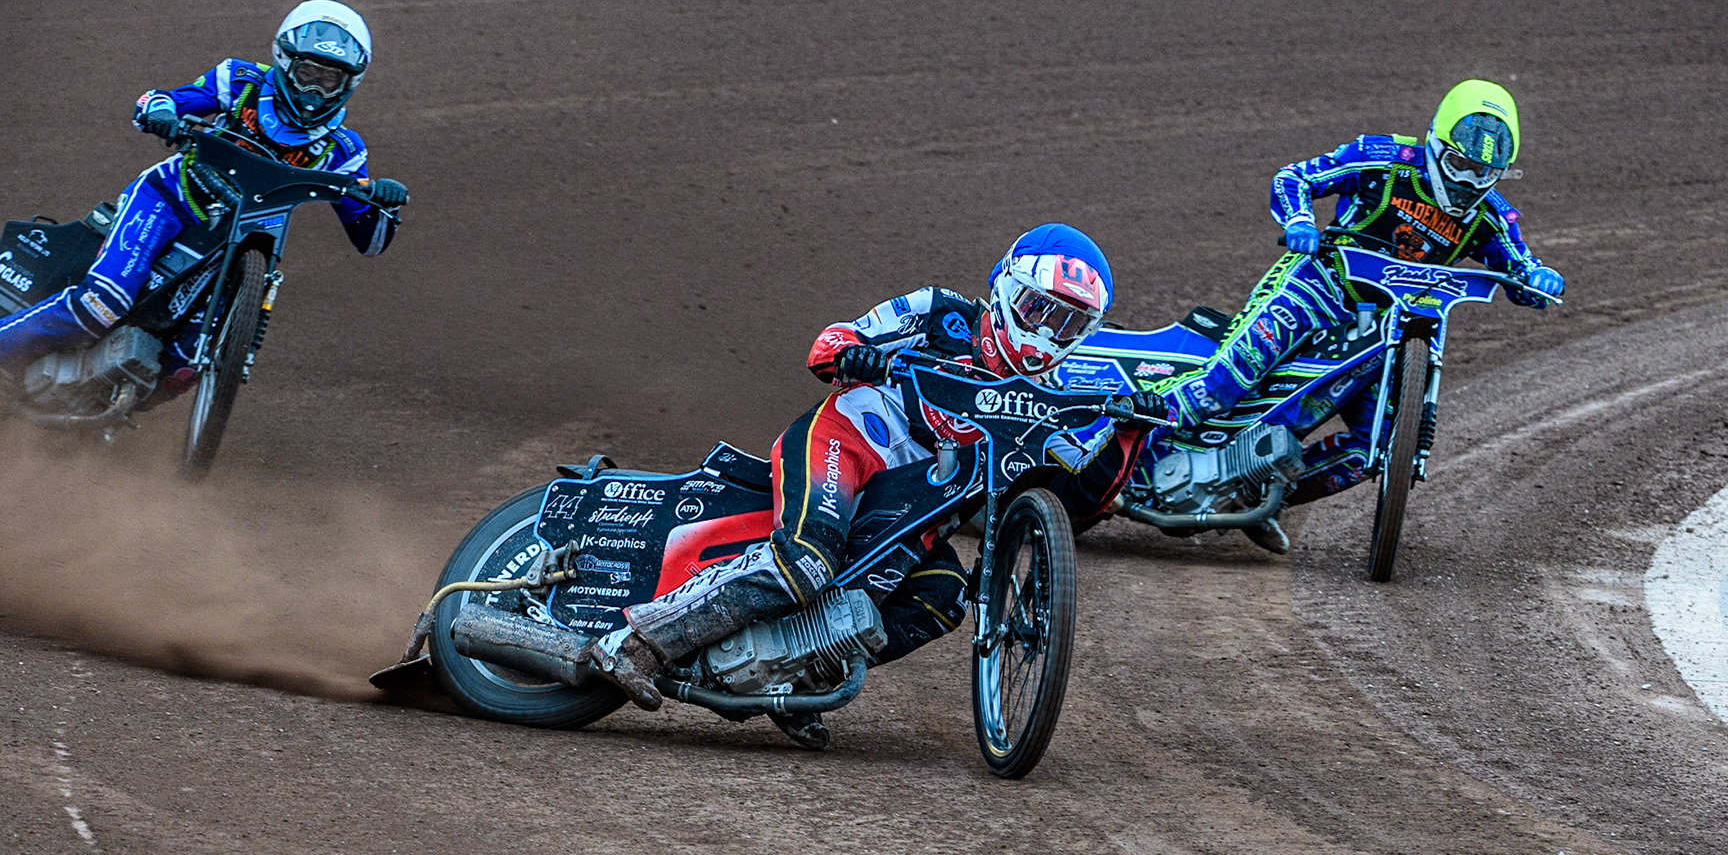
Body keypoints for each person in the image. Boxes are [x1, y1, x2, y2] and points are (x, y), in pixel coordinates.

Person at [589, 223, 1167, 747]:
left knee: (944, 597)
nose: (1046, 332)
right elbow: (830, 343)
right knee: (806, 562)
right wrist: (855, 356)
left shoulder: (1049, 403)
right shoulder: (941, 314)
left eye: (1067, 321)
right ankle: (635, 645)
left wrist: (1128, 433)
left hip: (916, 511)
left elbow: (1082, 503)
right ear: (1006, 288)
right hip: (844, 441)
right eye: (1040, 308)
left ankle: (796, 677)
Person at [1150, 79, 1565, 547]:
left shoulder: (1492, 216)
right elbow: (1295, 178)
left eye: (1485, 174)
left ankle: (1260, 496)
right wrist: (1300, 221)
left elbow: (1520, 266)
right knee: (1230, 379)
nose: (1469, 183)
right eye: (1460, 166)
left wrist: (1539, 279)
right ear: (1434, 142)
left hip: (1384, 328)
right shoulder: (1380, 157)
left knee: (1380, 445)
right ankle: (1132, 450)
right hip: (1319, 284)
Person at [0, 0, 409, 400]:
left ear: (350, 83)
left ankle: (96, 409)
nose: (314, 90)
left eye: (329, 80)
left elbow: (370, 241)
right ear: (285, 60)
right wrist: (163, 112)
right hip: (171, 201)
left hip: (235, 250)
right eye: (308, 73)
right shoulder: (241, 80)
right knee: (102, 304)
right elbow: (158, 100)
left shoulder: (344, 150)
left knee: (183, 367)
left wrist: (383, 204)